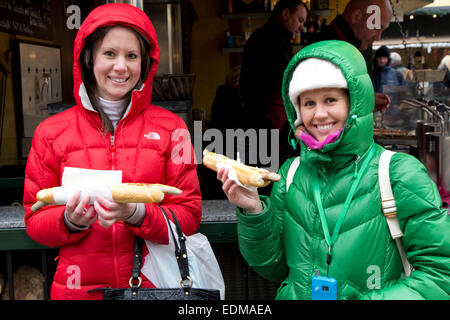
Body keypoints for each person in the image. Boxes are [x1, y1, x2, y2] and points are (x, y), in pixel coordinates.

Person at [217, 40, 450, 299]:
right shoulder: (290, 174)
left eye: (330, 100)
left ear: (355, 102)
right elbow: (274, 266)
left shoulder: (398, 173)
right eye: (308, 103)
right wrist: (254, 211)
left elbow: (440, 277)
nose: (319, 115)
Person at [23, 3, 202, 299]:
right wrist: (69, 221)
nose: (121, 66)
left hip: (154, 288)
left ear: (145, 63)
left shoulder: (174, 128)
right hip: (78, 290)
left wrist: (137, 213)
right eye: (109, 54)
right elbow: (34, 218)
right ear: (89, 58)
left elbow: (190, 214)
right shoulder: (50, 133)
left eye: (131, 56)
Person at [239, 0, 308, 131]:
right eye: (300, 20)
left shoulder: (268, 36)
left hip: (259, 118)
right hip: (265, 119)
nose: (301, 27)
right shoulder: (272, 40)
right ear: (286, 14)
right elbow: (283, 81)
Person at [316, 0, 393, 113]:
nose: (378, 37)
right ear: (356, 16)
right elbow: (320, 102)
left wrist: (366, 101)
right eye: (376, 28)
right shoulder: (327, 47)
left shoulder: (345, 47)